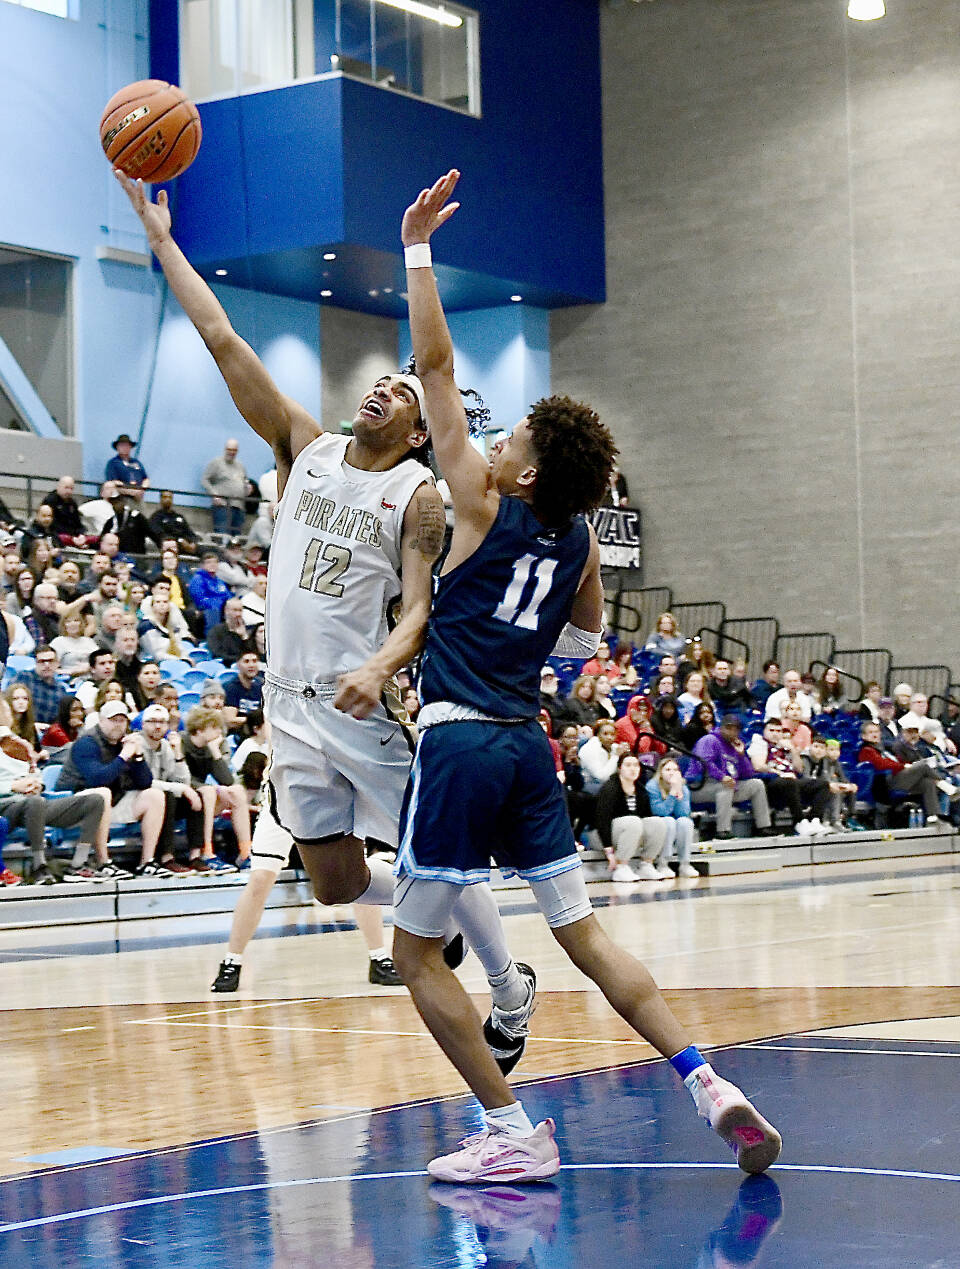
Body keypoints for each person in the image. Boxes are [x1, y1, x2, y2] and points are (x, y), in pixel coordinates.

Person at [389, 170, 781, 1182]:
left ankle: (510, 1132)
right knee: (586, 936)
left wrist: (417, 248)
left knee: (412, 955)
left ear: (520, 472)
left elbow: (433, 362)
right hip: (526, 744)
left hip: (463, 735)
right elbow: (581, 645)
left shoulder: (478, 498)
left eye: (513, 433)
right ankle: (706, 1080)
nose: (499, 432)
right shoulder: (578, 548)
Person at [117, 167, 523, 1055]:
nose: (383, 389)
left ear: (421, 431)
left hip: (362, 701)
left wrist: (382, 668)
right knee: (335, 884)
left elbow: (419, 611)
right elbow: (222, 337)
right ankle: (466, 941)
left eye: (406, 395)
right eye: (383, 382)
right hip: (290, 707)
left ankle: (505, 977)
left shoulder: (419, 497)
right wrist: (161, 244)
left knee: (437, 858)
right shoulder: (307, 448)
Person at [211, 760, 407, 992]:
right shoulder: (283, 726)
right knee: (260, 880)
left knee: (358, 878)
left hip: (328, 803)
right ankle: (232, 961)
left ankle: (379, 958)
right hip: (282, 802)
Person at [56, 699, 169, 875]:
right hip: (75, 805)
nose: (118, 725)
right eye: (113, 720)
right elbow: (97, 779)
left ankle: (147, 862)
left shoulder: (126, 743)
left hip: (112, 802)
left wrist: (138, 756)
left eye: (122, 720)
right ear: (101, 721)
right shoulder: (86, 743)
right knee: (103, 794)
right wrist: (123, 756)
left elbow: (145, 783)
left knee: (154, 795)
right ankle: (103, 862)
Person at [691, 715, 775, 840]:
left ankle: (763, 826)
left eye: (735, 729)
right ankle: (722, 831)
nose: (732, 732)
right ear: (721, 727)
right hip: (700, 786)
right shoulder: (709, 740)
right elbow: (703, 762)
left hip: (727, 786)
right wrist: (721, 777)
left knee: (757, 784)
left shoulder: (735, 745)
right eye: (728, 728)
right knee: (726, 787)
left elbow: (748, 774)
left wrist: (741, 755)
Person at [594, 752, 671, 881]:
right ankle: (621, 867)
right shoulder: (610, 788)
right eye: (628, 765)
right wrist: (609, 852)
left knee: (657, 823)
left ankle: (646, 864)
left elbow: (647, 817)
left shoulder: (640, 790)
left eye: (636, 765)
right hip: (603, 835)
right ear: (620, 768)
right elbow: (602, 821)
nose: (632, 769)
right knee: (633, 821)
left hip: (630, 831)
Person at [858, 721, 942, 825]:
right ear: (864, 736)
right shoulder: (866, 750)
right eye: (870, 732)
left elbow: (897, 762)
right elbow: (882, 764)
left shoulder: (884, 749)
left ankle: (934, 817)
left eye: (876, 731)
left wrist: (905, 765)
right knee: (923, 766)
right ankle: (944, 784)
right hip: (886, 783)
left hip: (898, 778)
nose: (874, 734)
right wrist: (904, 766)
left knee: (927, 782)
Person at [646, 755, 699, 877]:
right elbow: (660, 811)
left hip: (675, 822)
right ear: (660, 772)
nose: (672, 773)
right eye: (668, 770)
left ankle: (685, 864)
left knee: (685, 822)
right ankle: (663, 863)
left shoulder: (683, 786)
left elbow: (684, 813)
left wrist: (678, 791)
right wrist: (672, 794)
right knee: (668, 821)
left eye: (675, 770)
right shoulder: (652, 786)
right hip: (655, 822)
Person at [803, 735, 861, 831]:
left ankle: (848, 818)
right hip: (812, 787)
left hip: (822, 786)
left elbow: (842, 777)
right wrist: (836, 785)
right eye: (831, 750)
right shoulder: (817, 760)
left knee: (848, 788)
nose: (834, 753)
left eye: (837, 750)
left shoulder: (834, 763)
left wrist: (848, 785)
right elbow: (820, 777)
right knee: (833, 789)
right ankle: (829, 820)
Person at [202, 438, 249, 535]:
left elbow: (244, 481)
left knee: (236, 540)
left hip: (239, 507)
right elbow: (204, 480)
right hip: (222, 507)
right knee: (223, 536)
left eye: (234, 450)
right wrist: (214, 494)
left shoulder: (241, 466)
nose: (231, 452)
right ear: (225, 449)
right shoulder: (216, 463)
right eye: (229, 449)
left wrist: (247, 487)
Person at [16, 644, 67, 725]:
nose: (47, 665)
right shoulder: (23, 678)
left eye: (50, 661)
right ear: (36, 663)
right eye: (42, 661)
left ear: (57, 663)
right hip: (23, 727)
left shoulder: (61, 690)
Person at [101, 491, 160, 555]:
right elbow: (102, 539)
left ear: (124, 502)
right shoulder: (110, 522)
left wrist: (161, 547)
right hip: (117, 557)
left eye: (118, 501)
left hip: (138, 557)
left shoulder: (136, 517)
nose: (116, 504)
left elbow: (152, 534)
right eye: (113, 502)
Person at [188, 550, 233, 632]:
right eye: (208, 562)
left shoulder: (219, 581)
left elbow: (228, 596)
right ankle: (211, 637)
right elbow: (200, 600)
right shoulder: (198, 579)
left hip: (222, 608)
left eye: (215, 562)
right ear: (202, 565)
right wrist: (220, 603)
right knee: (213, 610)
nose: (212, 565)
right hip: (205, 610)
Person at [222, 649, 264, 732]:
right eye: (246, 661)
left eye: (254, 661)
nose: (251, 665)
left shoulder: (261, 686)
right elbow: (230, 721)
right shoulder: (230, 688)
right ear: (238, 665)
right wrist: (255, 721)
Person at [42, 475, 89, 547]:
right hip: (57, 537)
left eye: (71, 489)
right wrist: (71, 538)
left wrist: (81, 534)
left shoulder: (72, 503)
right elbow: (52, 525)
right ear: (58, 487)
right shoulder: (50, 501)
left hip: (73, 537)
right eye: (66, 488)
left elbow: (77, 523)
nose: (69, 491)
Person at [148, 490, 198, 555]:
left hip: (187, 547)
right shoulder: (155, 517)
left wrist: (192, 543)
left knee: (206, 550)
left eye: (170, 497)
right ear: (160, 499)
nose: (168, 499)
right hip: (169, 547)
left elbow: (190, 533)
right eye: (165, 497)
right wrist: (180, 541)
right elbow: (160, 535)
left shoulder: (179, 516)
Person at [105, 434, 148, 498]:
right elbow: (113, 481)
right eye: (122, 445)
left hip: (138, 496)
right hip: (121, 496)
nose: (125, 448)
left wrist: (143, 488)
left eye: (127, 445)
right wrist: (130, 490)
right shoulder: (113, 463)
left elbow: (145, 478)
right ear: (117, 447)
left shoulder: (137, 462)